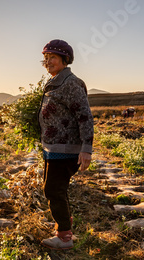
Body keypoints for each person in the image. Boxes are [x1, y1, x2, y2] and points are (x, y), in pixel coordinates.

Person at [38, 39, 94, 250]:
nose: (48, 61)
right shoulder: (56, 81)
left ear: (65, 59)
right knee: (56, 190)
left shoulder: (70, 83)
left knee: (53, 190)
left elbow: (85, 117)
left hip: (66, 149)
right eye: (46, 58)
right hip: (54, 148)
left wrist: (86, 149)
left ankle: (64, 238)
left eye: (53, 57)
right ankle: (63, 226)